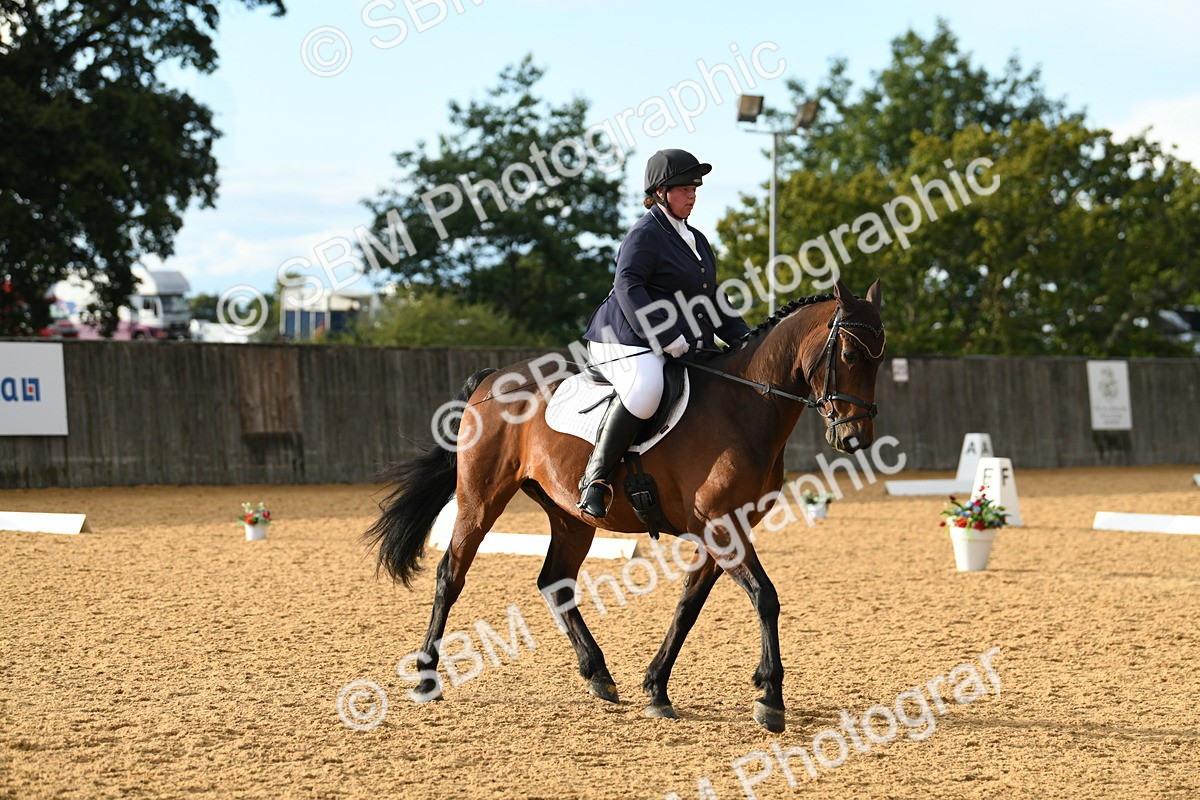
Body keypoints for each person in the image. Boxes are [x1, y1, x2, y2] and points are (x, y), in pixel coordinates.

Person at [577, 148, 751, 518]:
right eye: (684, 188)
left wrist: (745, 340)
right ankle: (596, 478)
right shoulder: (645, 234)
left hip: (674, 341)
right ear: (659, 193)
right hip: (623, 337)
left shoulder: (697, 240)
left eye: (695, 188)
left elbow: (711, 298)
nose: (692, 195)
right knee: (646, 390)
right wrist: (663, 334)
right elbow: (627, 286)